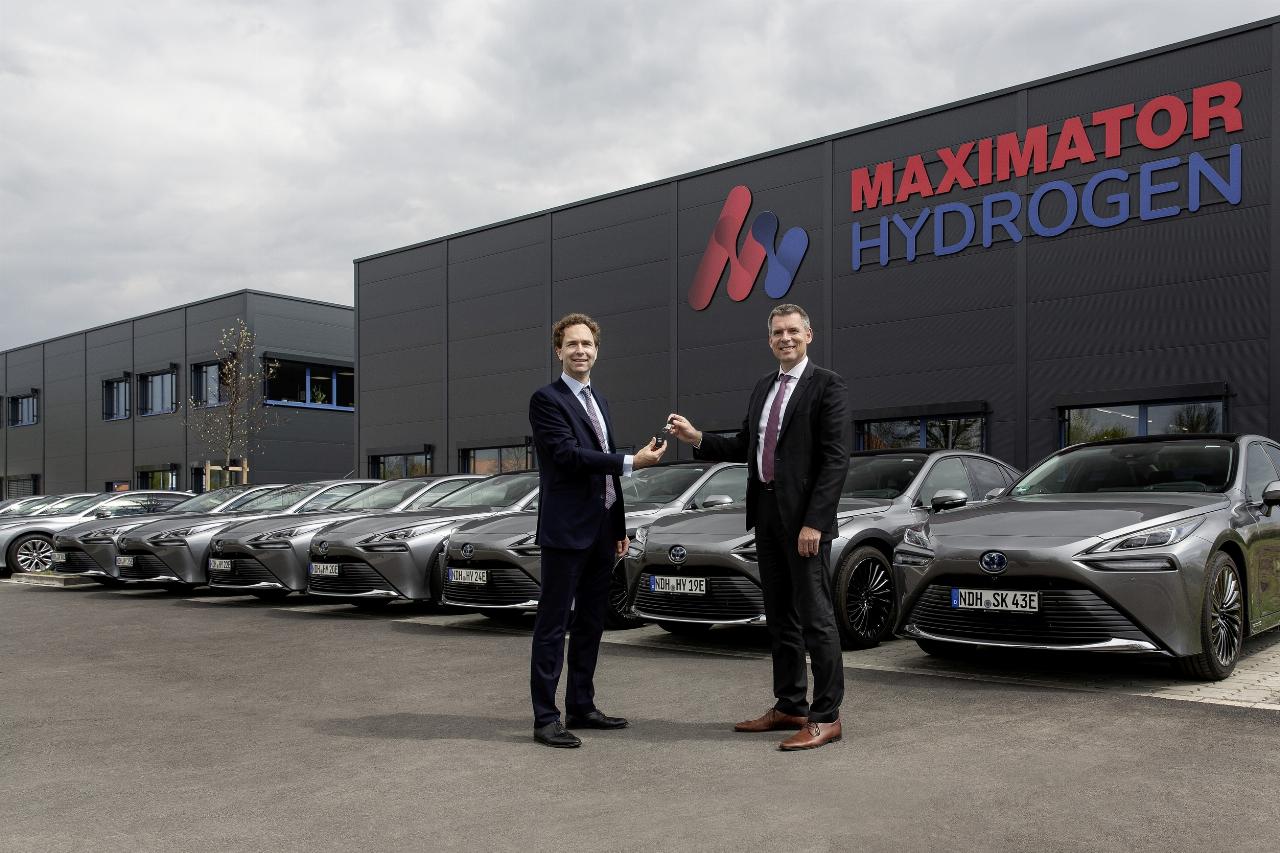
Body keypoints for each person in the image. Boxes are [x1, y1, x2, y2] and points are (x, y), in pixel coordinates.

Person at [666, 303, 849, 751]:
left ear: (809, 335)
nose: (786, 338)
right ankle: (790, 705)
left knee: (816, 618)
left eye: (793, 331)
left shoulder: (827, 385)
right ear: (769, 340)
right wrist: (697, 438)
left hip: (804, 522)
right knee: (780, 616)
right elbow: (745, 445)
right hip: (765, 515)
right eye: (777, 333)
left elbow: (834, 461)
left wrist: (814, 522)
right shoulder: (764, 386)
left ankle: (826, 716)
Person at [528, 312, 666, 748]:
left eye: (587, 344)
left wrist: (618, 525)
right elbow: (568, 456)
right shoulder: (547, 400)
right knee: (553, 625)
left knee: (590, 622)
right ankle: (545, 718)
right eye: (572, 344)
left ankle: (581, 705)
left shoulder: (599, 401)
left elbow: (605, 473)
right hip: (566, 532)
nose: (580, 350)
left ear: (596, 351)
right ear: (558, 351)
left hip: (602, 531)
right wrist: (632, 461)